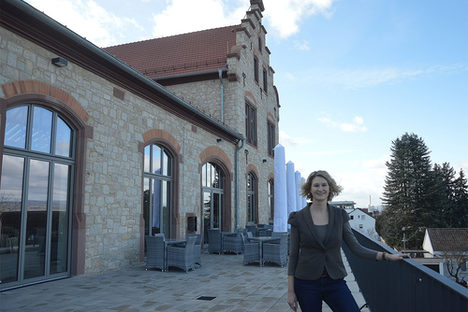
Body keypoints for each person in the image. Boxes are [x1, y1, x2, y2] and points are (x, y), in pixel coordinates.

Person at [287, 170, 409, 312]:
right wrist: (290, 291)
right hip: (306, 283)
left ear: (330, 188)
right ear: (310, 189)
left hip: (334, 281)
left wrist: (386, 255)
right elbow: (294, 255)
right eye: (316, 185)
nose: (320, 189)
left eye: (324, 185)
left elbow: (356, 247)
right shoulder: (298, 218)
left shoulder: (340, 215)